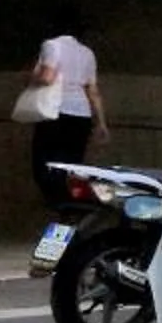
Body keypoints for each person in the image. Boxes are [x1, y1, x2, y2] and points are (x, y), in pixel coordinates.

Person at [28, 22, 106, 206]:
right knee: (72, 164)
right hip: (81, 114)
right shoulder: (87, 53)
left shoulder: (51, 45)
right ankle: (70, 203)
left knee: (43, 162)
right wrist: (102, 122)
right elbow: (93, 90)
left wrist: (32, 77)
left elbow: (46, 78)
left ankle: (56, 202)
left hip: (56, 111)